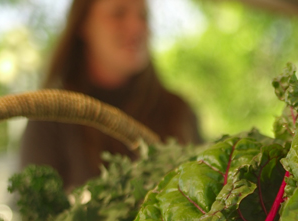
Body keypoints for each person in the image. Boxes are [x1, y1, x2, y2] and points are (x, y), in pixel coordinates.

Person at [19, 0, 202, 191]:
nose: (137, 27)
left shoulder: (177, 110)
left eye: (143, 15)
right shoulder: (52, 117)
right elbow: (31, 204)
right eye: (118, 13)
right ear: (82, 23)